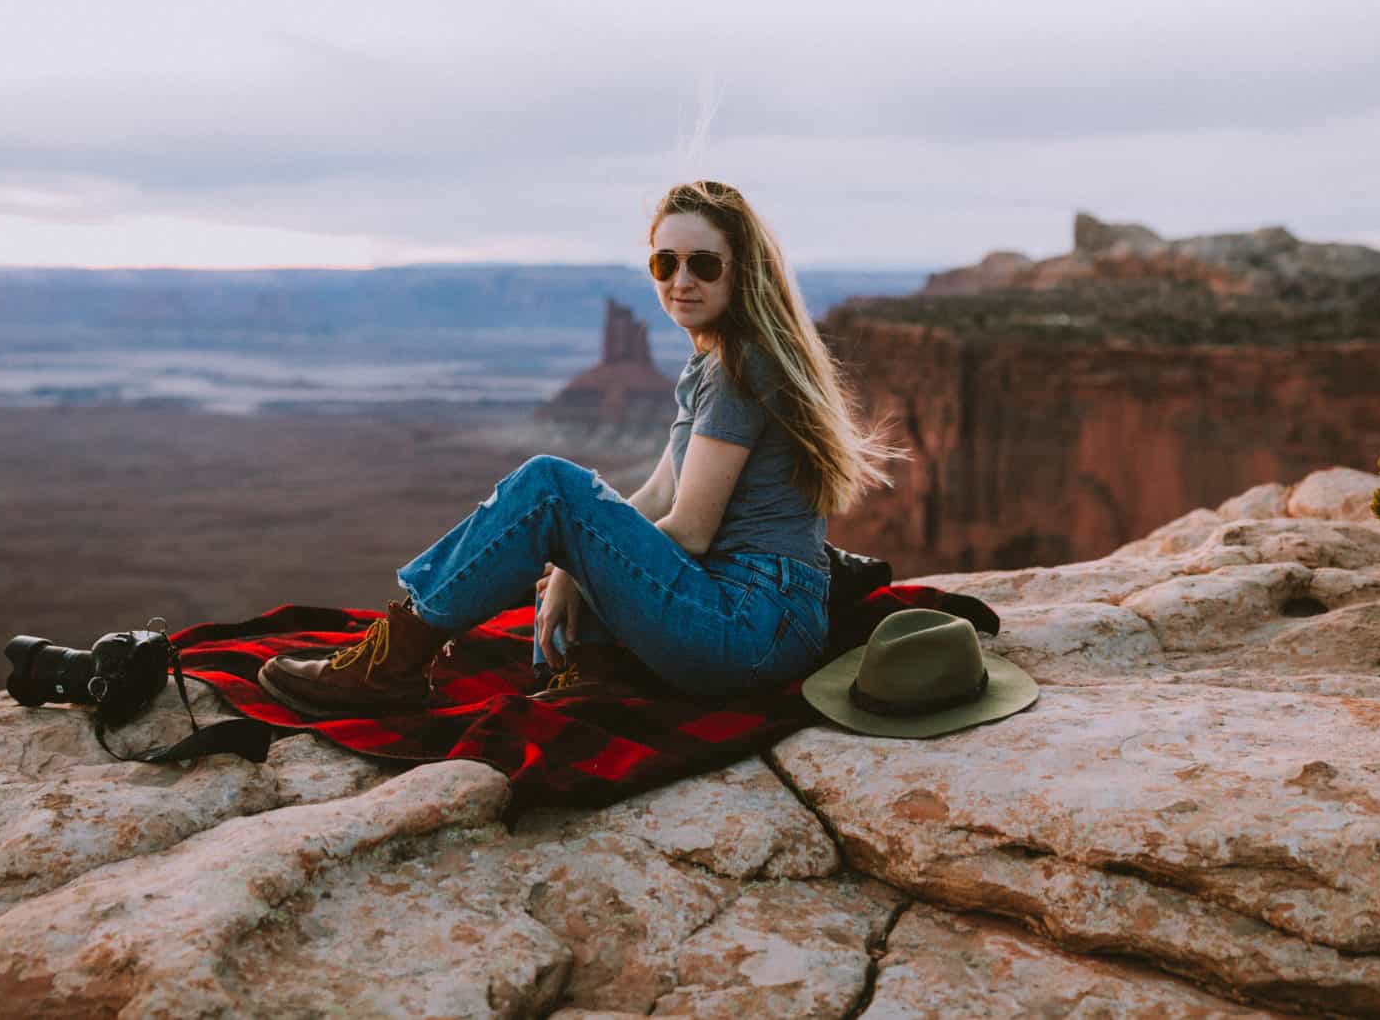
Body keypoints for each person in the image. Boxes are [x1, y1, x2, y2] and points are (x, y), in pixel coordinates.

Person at [257, 179, 911, 712]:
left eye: (703, 264)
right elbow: (658, 493)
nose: (680, 280)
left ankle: (392, 661)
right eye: (665, 262)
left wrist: (577, 563)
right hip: (750, 618)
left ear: (744, 272)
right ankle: (586, 671)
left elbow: (691, 529)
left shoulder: (743, 368)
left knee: (551, 486)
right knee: (572, 523)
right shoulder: (713, 363)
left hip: (749, 625)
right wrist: (578, 556)